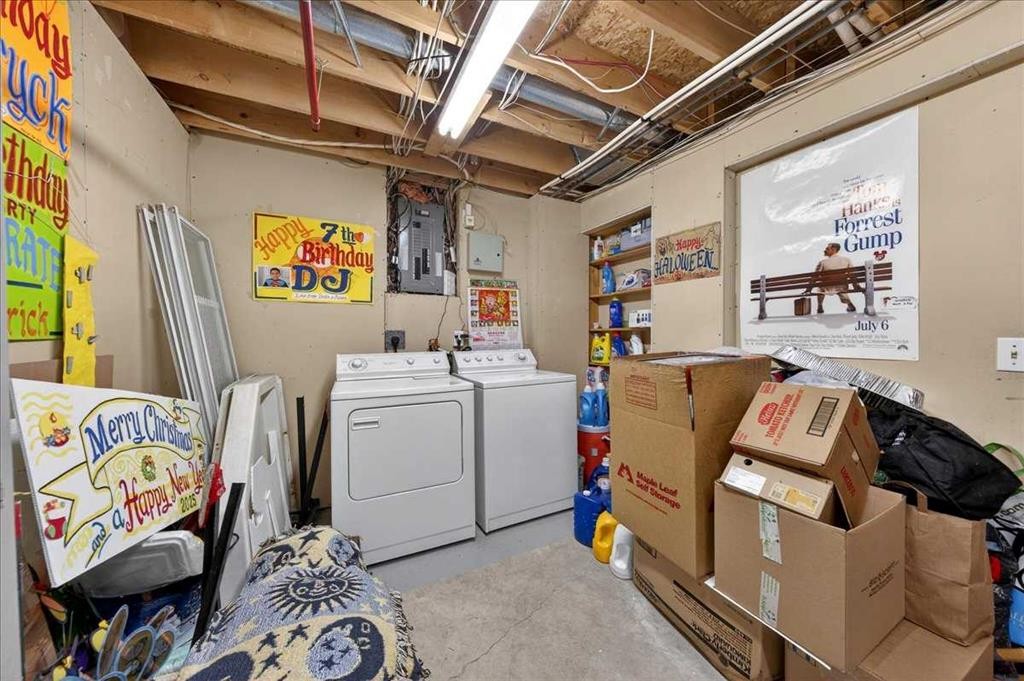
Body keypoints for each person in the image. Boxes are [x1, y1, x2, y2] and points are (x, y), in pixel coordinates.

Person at [806, 243, 858, 314]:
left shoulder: (822, 262)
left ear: (833, 250)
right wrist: (856, 286)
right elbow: (852, 275)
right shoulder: (846, 260)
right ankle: (849, 304)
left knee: (821, 284)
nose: (824, 250)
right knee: (840, 286)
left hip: (826, 287)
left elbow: (814, 277)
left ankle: (820, 305)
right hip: (841, 287)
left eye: (827, 249)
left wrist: (808, 289)